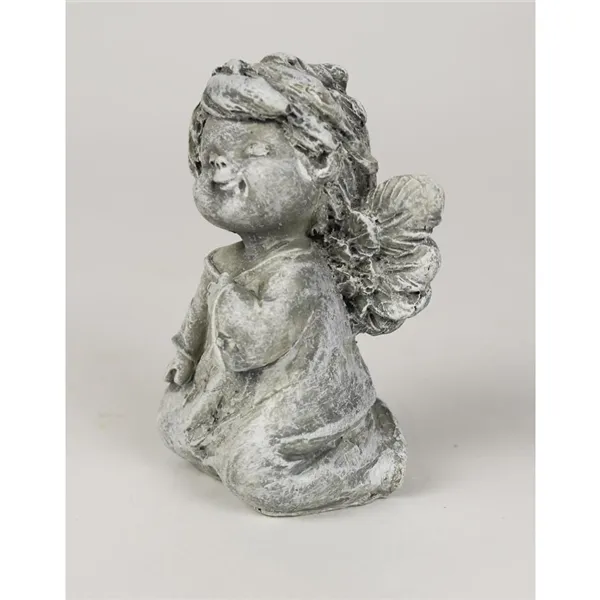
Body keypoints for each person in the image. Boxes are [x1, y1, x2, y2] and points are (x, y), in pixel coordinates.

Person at [158, 53, 444, 516]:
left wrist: (225, 292)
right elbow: (196, 319)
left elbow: (252, 347)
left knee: (259, 479)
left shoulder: (301, 272)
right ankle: (229, 434)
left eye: (255, 152)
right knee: (174, 425)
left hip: (306, 401)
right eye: (208, 157)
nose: (219, 167)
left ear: (318, 165)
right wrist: (186, 356)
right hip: (240, 387)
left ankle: (374, 456)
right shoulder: (225, 260)